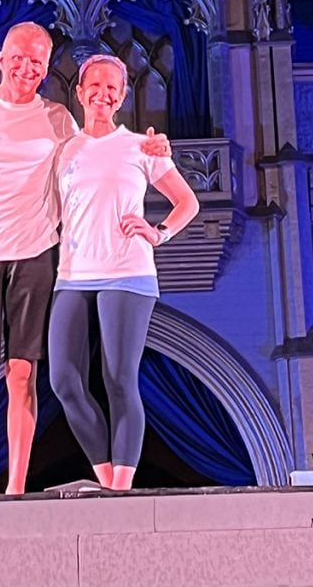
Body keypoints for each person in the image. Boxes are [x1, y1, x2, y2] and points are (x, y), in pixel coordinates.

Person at [0, 22, 170, 497]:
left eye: (37, 60)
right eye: (19, 57)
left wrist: (154, 150)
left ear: (47, 68)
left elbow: (100, 150)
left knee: (23, 373)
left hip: (36, 255)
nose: (26, 67)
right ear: (0, 58)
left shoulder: (58, 119)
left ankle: (16, 487)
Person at [48, 54, 200, 491]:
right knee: (64, 380)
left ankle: (121, 488)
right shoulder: (64, 150)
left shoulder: (142, 146)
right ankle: (105, 479)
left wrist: (159, 233)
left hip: (127, 272)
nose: (103, 93)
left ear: (122, 97)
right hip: (73, 274)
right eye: (94, 85)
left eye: (112, 87)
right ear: (78, 92)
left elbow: (187, 203)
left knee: (118, 377)